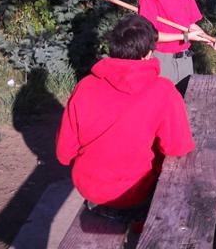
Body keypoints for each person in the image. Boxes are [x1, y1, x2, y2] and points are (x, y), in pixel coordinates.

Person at [56, 14, 195, 225]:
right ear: (149, 53)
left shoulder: (85, 86)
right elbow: (177, 148)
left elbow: (64, 153)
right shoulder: (163, 91)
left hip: (90, 190)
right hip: (137, 193)